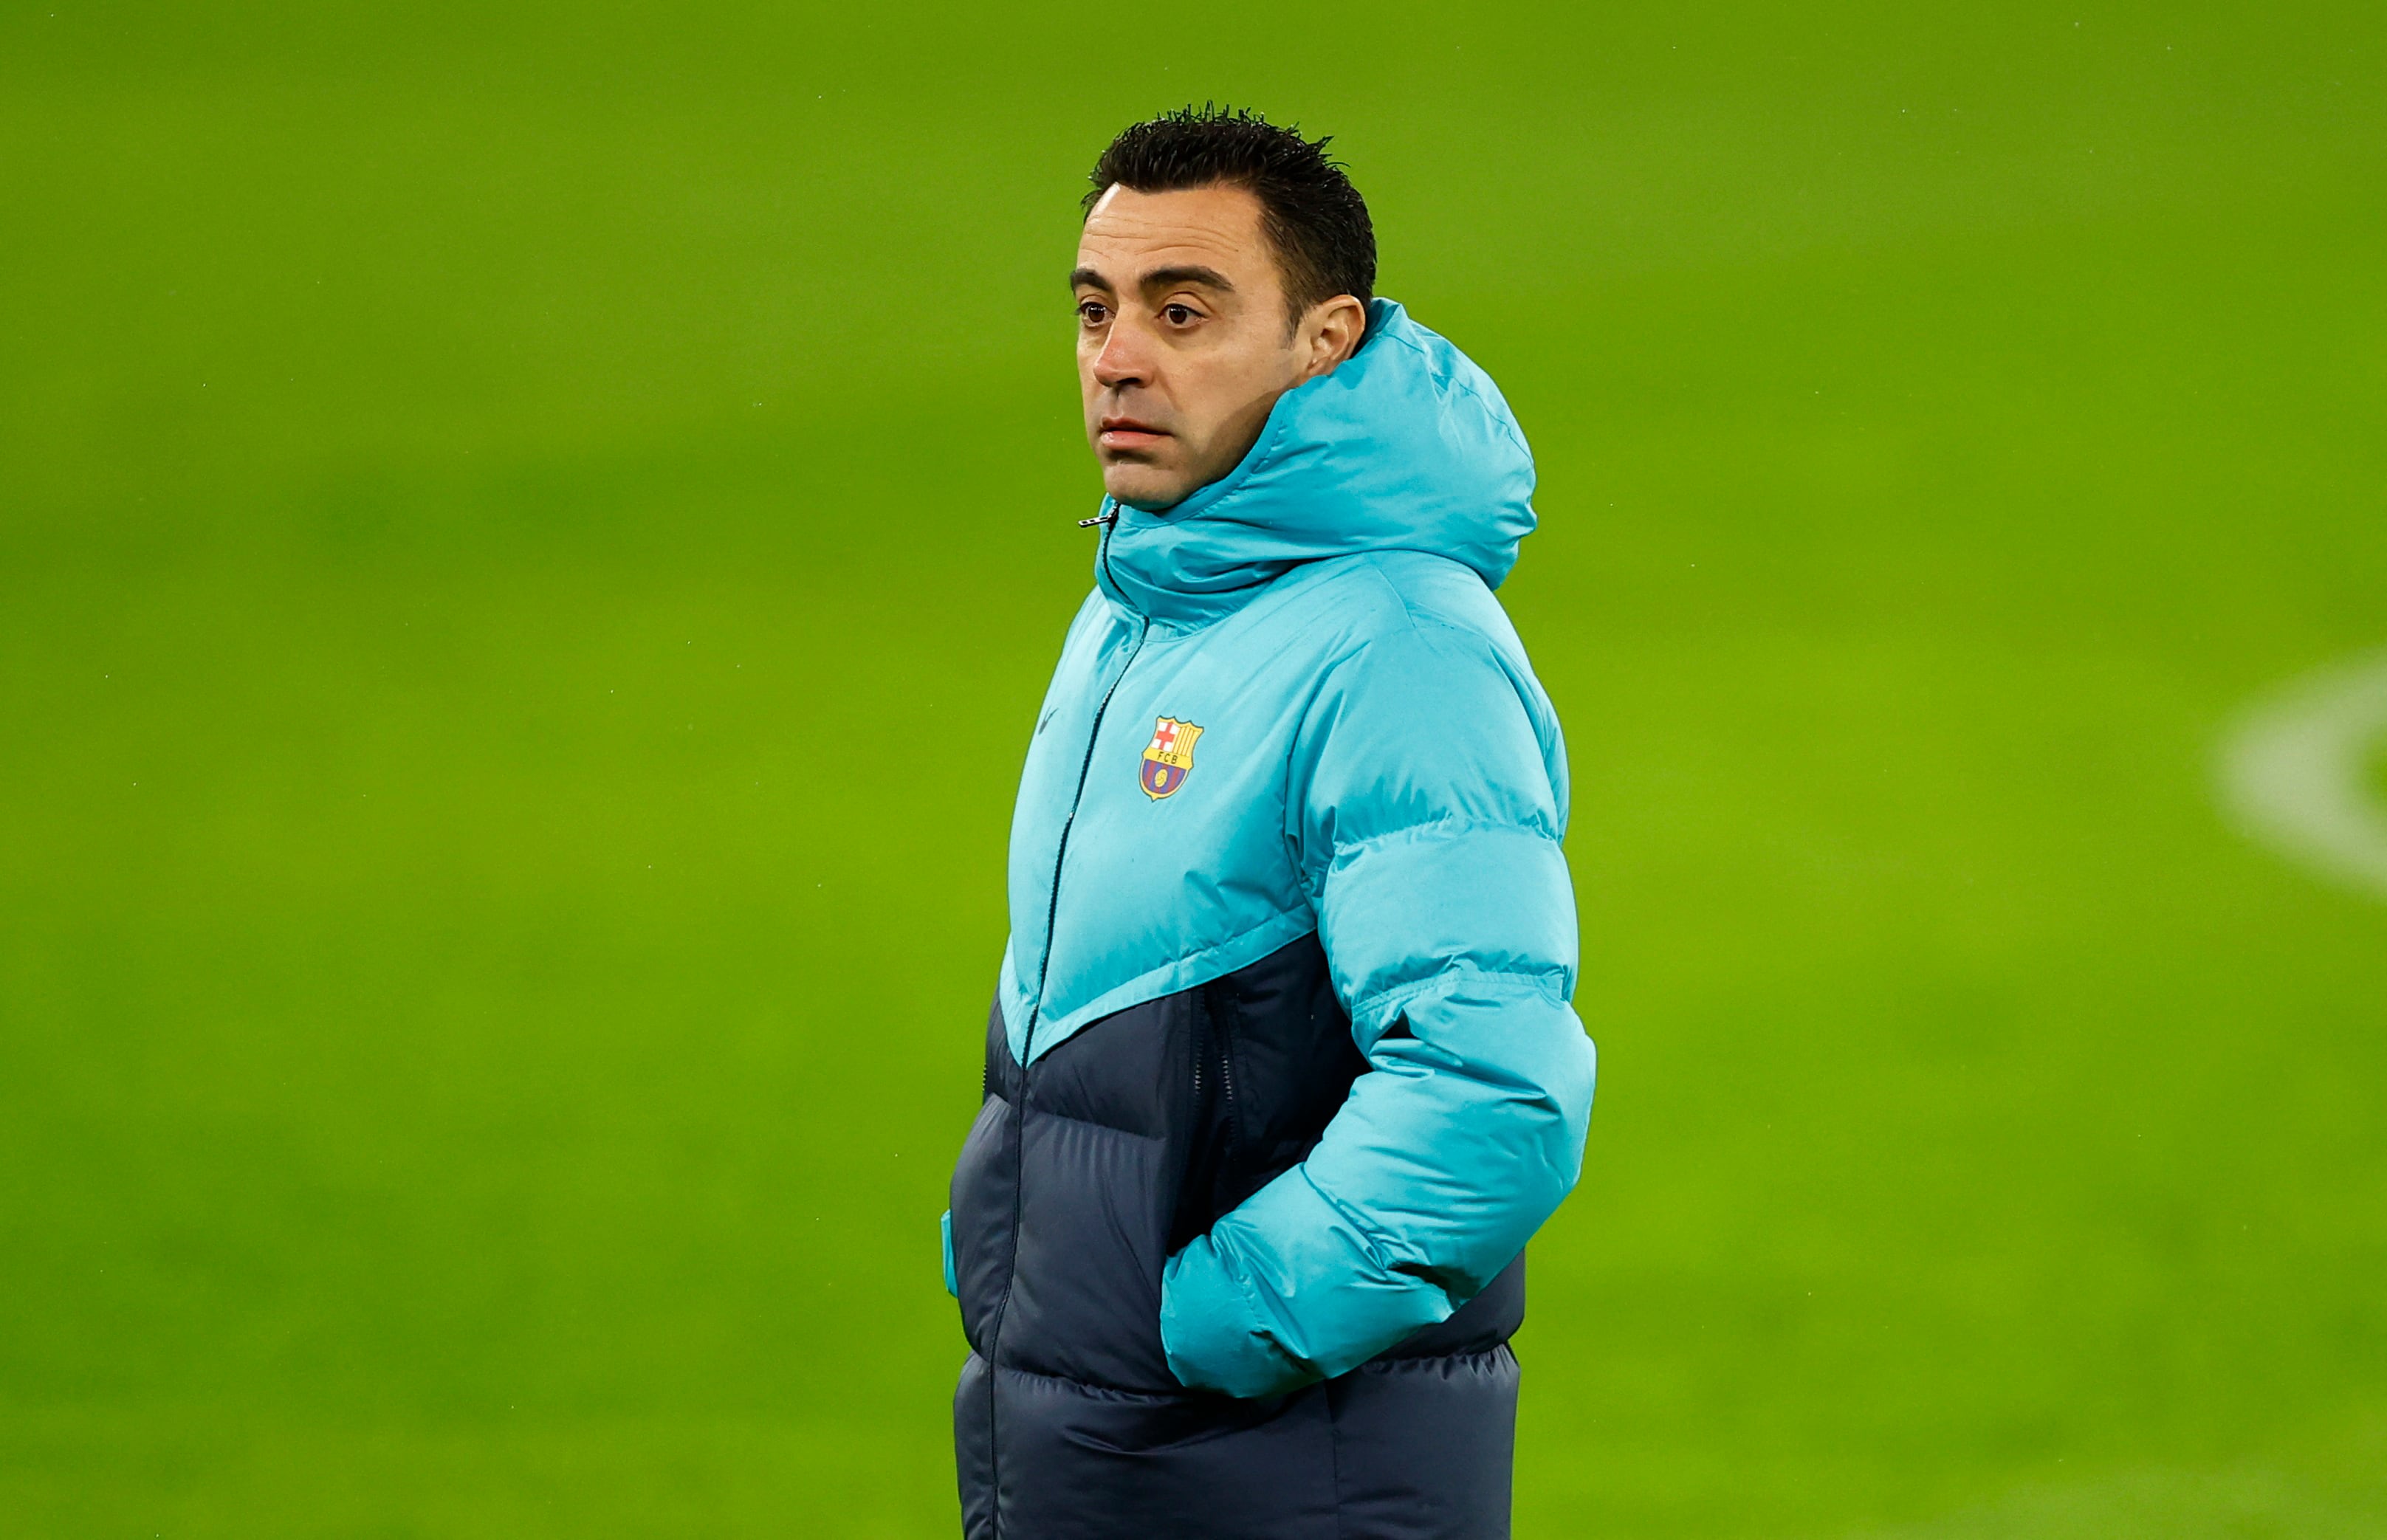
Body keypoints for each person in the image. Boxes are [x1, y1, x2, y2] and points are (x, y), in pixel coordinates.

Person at [941, 105, 1597, 1539]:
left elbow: (1494, 1086)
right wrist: (1022, 1242)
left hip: (1274, 1465)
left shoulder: (1398, 644)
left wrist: (1211, 1320)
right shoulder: (1145, 604)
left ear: (1324, 338)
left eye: (1183, 312)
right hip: (1084, 1439)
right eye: (1097, 310)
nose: (1118, 357)